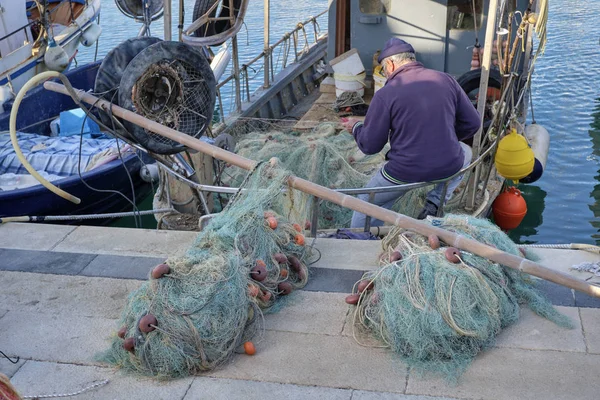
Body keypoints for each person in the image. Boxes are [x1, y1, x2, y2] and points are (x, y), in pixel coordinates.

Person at [341, 38, 481, 228]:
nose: (386, 74)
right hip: (447, 166)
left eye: (384, 70)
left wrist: (356, 127)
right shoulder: (446, 79)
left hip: (403, 172)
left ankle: (361, 240)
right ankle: (435, 201)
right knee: (466, 152)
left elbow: (371, 145)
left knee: (365, 204)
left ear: (390, 64)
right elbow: (473, 123)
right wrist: (444, 138)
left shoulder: (386, 93)